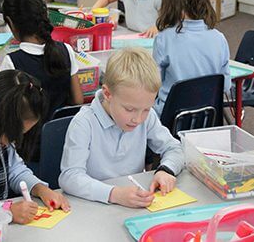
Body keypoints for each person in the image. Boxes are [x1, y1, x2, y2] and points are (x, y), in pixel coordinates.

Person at [59, 47, 184, 208]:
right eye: (129, 109)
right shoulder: (84, 123)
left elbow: (174, 148)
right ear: (108, 94)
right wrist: (114, 194)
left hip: (133, 205)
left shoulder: (148, 116)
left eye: (146, 109)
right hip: (94, 208)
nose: (138, 119)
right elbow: (69, 177)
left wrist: (166, 170)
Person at [0, 70, 70, 224]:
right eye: (10, 134)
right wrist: (6, 212)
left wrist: (40, 189)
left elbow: (16, 170)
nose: (11, 141)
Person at [0, 0, 83, 121]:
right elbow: (78, 100)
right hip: (62, 134)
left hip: (30, 139)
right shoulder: (66, 50)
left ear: (10, 23)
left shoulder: (11, 62)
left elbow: (5, 112)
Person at [152, 0, 231, 117]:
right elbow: (225, 86)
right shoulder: (219, 38)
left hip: (170, 116)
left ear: (170, 7)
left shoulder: (163, 39)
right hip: (208, 115)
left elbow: (154, 83)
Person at [92, 0, 161, 38]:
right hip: (131, 35)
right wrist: (93, 11)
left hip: (150, 38)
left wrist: (157, 27)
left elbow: (168, 19)